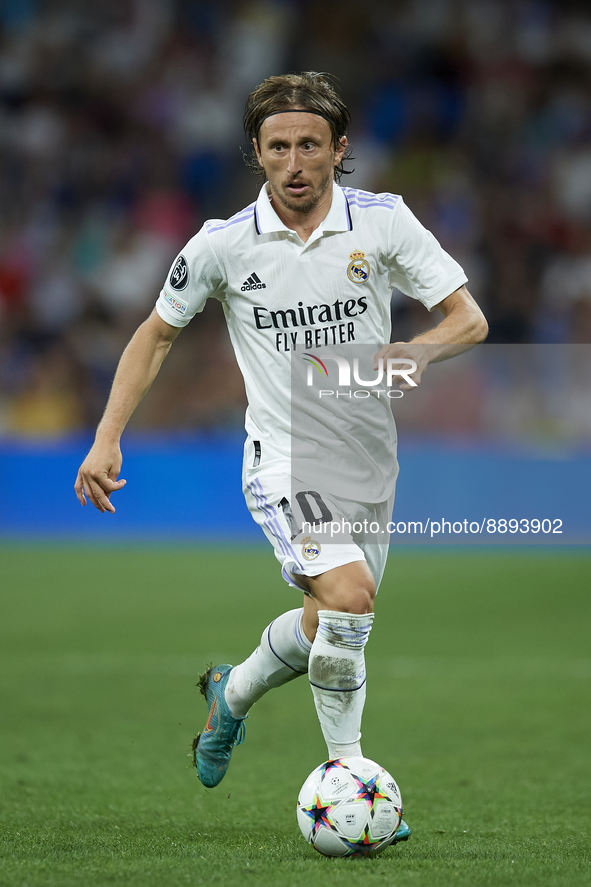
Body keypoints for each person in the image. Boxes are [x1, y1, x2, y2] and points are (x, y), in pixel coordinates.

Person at [75, 72, 488, 843]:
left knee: (326, 620)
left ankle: (230, 694)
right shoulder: (223, 244)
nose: (294, 162)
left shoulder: (384, 222)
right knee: (351, 597)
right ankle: (350, 777)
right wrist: (107, 434)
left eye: (308, 144)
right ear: (255, 155)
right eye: (276, 147)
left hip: (369, 464)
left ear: (338, 149)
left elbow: (467, 319)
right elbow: (156, 333)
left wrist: (418, 350)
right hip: (283, 459)